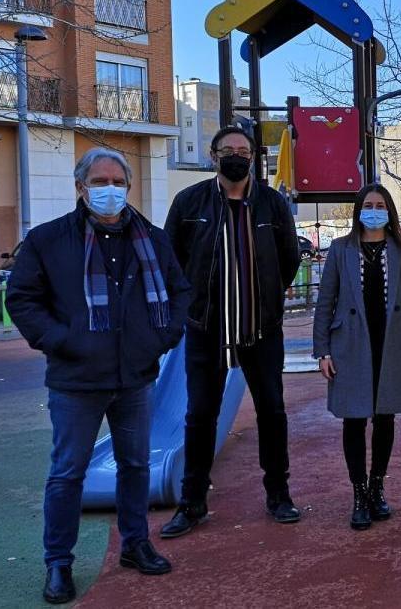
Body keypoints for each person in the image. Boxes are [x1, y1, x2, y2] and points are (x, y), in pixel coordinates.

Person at [6, 148, 189, 603]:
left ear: (128, 186)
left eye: (117, 181)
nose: (110, 189)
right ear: (81, 187)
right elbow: (23, 298)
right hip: (76, 381)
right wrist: (63, 340)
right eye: (99, 181)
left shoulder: (150, 237)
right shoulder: (49, 240)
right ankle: (58, 564)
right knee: (67, 473)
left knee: (136, 466)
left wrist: (160, 338)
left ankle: (135, 544)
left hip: (134, 377)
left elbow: (179, 291)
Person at [160, 126, 302, 538]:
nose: (236, 156)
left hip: (261, 329)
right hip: (206, 329)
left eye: (244, 150)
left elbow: (289, 258)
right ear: (213, 155)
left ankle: (279, 495)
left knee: (272, 412)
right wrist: (193, 308)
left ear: (254, 157)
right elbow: (173, 261)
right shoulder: (189, 202)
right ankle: (192, 502)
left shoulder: (272, 204)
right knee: (200, 415)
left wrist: (267, 300)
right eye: (228, 150)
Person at [313, 184, 401, 529]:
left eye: (380, 205)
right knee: (353, 419)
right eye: (368, 204)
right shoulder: (340, 249)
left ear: (388, 210)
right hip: (349, 344)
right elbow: (325, 302)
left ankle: (378, 486)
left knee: (385, 417)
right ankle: (358, 491)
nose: (374, 210)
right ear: (358, 210)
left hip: (390, 341)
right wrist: (322, 350)